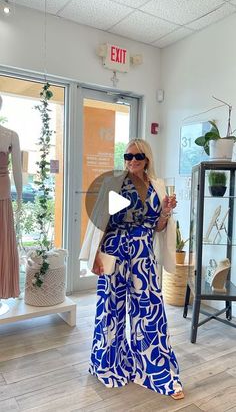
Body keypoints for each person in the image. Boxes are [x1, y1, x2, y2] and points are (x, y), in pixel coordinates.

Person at [79, 138, 184, 400]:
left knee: (149, 310)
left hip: (143, 256)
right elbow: (102, 221)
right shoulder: (114, 183)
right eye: (127, 156)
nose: (132, 161)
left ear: (147, 159)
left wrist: (166, 212)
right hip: (114, 250)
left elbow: (158, 227)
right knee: (110, 310)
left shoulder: (157, 186)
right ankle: (108, 365)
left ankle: (156, 371)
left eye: (137, 156)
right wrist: (95, 256)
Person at [0, 95, 22, 300]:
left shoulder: (10, 135)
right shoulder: (9, 135)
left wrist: (20, 197)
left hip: (3, 196)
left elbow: (17, 170)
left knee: (3, 243)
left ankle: (3, 289)